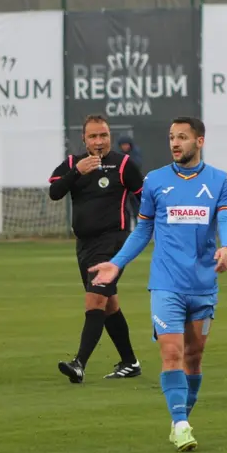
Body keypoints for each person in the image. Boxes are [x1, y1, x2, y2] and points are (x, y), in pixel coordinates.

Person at [89, 116, 227, 451]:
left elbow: (226, 218)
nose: (175, 143)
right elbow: (143, 229)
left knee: (194, 357)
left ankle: (178, 418)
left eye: (182, 137)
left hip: (203, 284)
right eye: (172, 137)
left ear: (199, 141)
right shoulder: (155, 181)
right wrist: (116, 263)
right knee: (172, 353)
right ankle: (182, 425)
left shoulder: (219, 180)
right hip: (166, 283)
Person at [49, 114, 143, 382]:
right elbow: (55, 193)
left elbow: (144, 199)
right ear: (84, 139)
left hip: (114, 242)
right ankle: (130, 362)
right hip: (85, 245)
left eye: (103, 135)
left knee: (95, 299)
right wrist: (77, 171)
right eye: (93, 136)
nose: (99, 141)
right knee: (108, 304)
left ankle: (79, 364)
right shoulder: (72, 164)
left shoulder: (123, 164)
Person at [118, 136, 143, 231]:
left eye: (126, 144)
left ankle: (138, 228)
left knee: (136, 208)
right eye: (123, 145)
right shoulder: (118, 155)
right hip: (122, 186)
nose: (125, 147)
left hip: (134, 185)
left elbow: (137, 166)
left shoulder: (135, 154)